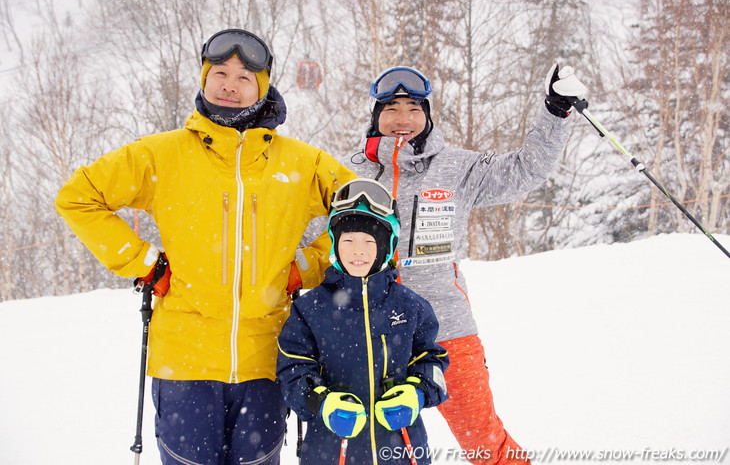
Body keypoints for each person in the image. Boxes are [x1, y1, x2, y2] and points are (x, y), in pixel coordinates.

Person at [54, 28, 356, 465]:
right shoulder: (162, 155)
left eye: (244, 77)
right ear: (204, 78)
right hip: (184, 365)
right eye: (220, 73)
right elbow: (78, 197)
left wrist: (307, 266)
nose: (230, 85)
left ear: (263, 86)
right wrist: (145, 263)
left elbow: (368, 212)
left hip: (266, 361)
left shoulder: (300, 162)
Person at [338, 65, 588, 464]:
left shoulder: (458, 166)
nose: (402, 119)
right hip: (368, 334)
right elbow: (312, 236)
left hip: (446, 327)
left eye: (413, 108)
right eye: (391, 108)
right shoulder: (346, 172)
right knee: (374, 450)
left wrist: (555, 113)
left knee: (484, 442)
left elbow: (527, 169)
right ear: (375, 116)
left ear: (428, 116)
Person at [277, 179, 449, 464]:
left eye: (370, 241)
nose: (358, 251)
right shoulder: (310, 309)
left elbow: (433, 360)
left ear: (386, 246)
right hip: (329, 450)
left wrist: (416, 393)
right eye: (348, 241)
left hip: (401, 450)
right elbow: (292, 371)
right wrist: (321, 402)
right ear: (334, 244)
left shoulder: (410, 305)